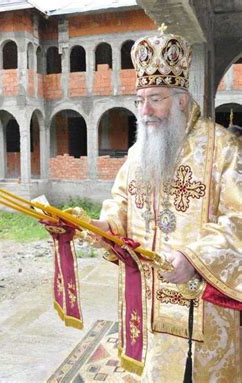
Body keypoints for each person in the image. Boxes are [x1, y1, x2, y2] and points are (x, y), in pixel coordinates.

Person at [86, 29, 241, 381]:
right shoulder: (139, 151)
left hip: (200, 307)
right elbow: (121, 201)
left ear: (182, 100)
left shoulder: (223, 148)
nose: (145, 111)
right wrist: (106, 226)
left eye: (156, 99)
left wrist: (195, 258)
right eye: (140, 100)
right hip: (149, 301)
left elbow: (240, 217)